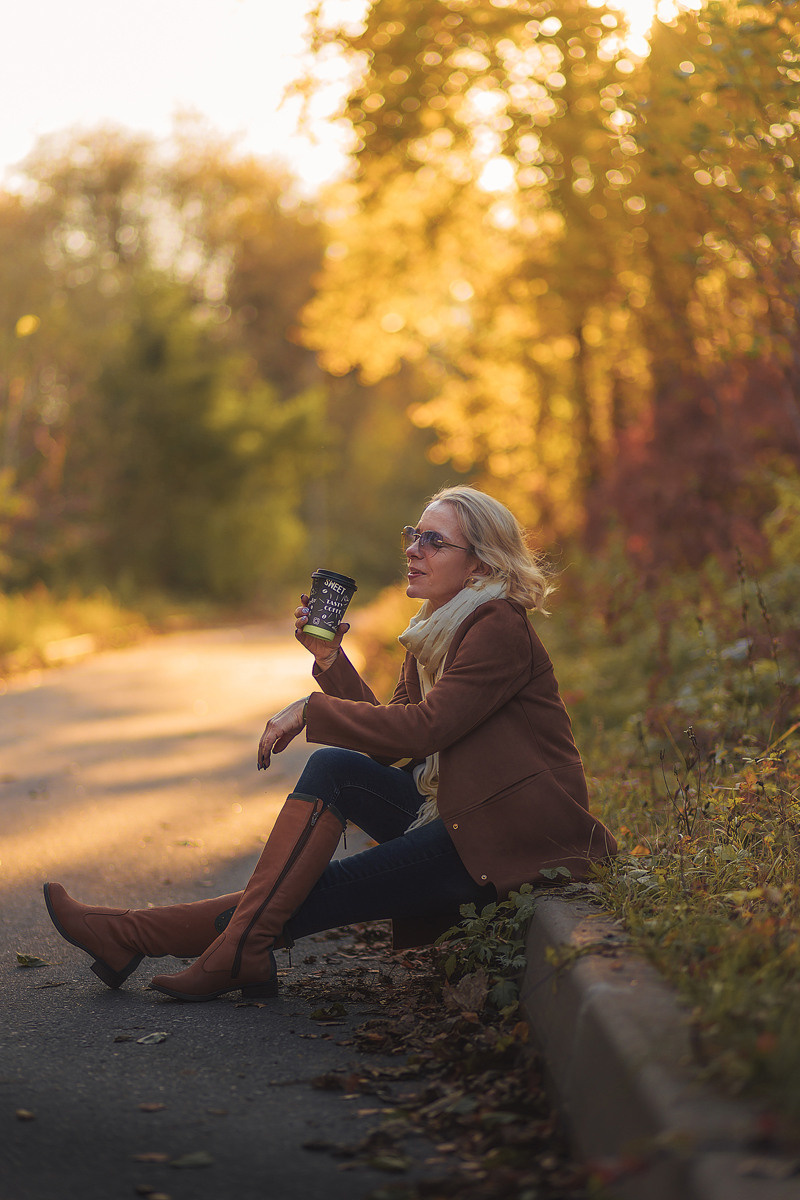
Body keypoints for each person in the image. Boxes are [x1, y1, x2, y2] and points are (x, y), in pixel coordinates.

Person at [44, 485, 616, 1003]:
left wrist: (309, 709)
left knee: (314, 891)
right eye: (413, 536)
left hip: (510, 836)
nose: (413, 550)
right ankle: (172, 942)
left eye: (434, 541)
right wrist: (329, 661)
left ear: (479, 565)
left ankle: (145, 937)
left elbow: (425, 730)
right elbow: (395, 738)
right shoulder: (438, 629)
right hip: (461, 813)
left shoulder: (498, 626)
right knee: (335, 769)